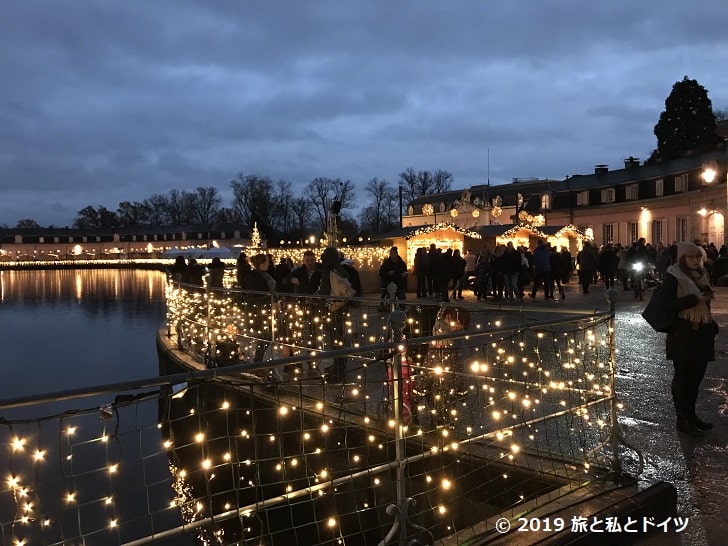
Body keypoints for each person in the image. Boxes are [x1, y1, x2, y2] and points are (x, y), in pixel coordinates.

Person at [663, 242, 719, 437]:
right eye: (691, 257)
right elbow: (667, 305)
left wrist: (711, 323)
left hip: (702, 331)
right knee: (683, 377)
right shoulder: (673, 276)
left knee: (696, 378)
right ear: (682, 258)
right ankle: (682, 419)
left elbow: (705, 304)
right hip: (682, 332)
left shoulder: (702, 276)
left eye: (698, 256)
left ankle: (691, 415)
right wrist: (696, 300)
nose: (695, 260)